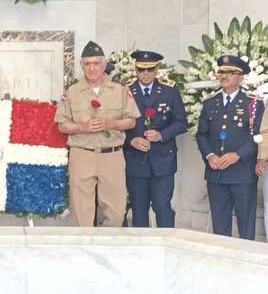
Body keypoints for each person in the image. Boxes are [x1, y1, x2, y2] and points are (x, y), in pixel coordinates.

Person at [55, 41, 140, 227]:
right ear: (81, 65)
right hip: (82, 153)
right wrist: (82, 127)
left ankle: (105, 243)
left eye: (96, 63)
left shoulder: (120, 89)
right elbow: (62, 125)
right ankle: (85, 248)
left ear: (104, 64)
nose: (91, 68)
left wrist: (112, 123)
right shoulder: (72, 91)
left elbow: (131, 121)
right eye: (87, 64)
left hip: (112, 155)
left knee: (117, 211)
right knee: (81, 212)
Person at [197, 55, 264, 240]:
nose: (224, 76)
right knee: (220, 227)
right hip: (216, 172)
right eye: (222, 72)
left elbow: (258, 136)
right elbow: (201, 134)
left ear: (241, 78)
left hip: (242, 173)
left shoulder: (254, 103)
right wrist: (210, 155)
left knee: (245, 226)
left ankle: (245, 264)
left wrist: (238, 155)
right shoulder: (210, 103)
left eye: (230, 72)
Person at [124, 51, 187, 227]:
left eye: (150, 69)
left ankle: (167, 245)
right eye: (141, 69)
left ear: (157, 69)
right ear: (135, 69)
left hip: (163, 160)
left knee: (163, 207)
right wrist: (131, 140)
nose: (145, 73)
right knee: (138, 209)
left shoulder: (169, 91)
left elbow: (182, 122)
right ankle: (141, 250)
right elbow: (116, 125)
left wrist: (162, 135)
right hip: (135, 160)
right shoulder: (125, 91)